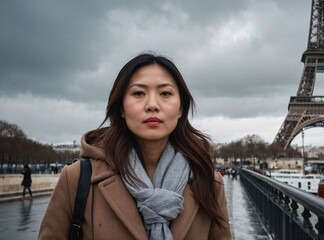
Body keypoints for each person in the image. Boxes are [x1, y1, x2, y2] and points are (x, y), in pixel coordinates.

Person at [39, 52, 231, 240]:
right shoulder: (76, 179)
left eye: (165, 93)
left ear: (181, 108)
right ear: (121, 108)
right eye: (139, 93)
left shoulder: (210, 183)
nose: (152, 105)